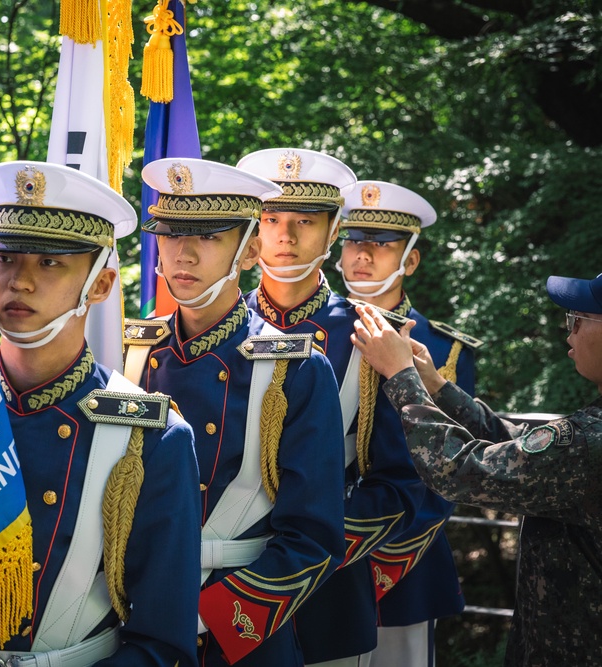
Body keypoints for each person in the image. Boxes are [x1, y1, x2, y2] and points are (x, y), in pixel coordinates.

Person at [0, 161, 202, 666]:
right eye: (5, 257)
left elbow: (162, 643)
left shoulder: (150, 438)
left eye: (51, 263)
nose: (20, 282)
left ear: (100, 287)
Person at [122, 157, 346, 666]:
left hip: (239, 634)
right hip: (133, 625)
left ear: (247, 251)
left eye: (208, 237)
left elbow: (313, 537)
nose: (183, 252)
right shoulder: (132, 352)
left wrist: (213, 614)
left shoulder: (297, 369)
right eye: (171, 234)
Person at [351, 271, 602, 667]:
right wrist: (435, 385)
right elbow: (516, 444)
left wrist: (400, 377)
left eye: (578, 319)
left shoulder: (589, 443)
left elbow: (458, 469)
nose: (568, 331)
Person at [237, 148, 425, 666]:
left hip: (327, 586)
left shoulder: (372, 336)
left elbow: (400, 483)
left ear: (334, 228)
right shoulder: (210, 331)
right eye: (270, 219)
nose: (285, 236)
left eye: (305, 221)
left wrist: (307, 548)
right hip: (210, 583)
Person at [336, 180, 481, 667]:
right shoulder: (304, 336)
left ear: (410, 260)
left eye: (381, 245)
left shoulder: (445, 350)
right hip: (314, 554)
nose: (363, 255)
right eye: (354, 242)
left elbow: (454, 466)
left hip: (404, 564)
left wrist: (377, 561)